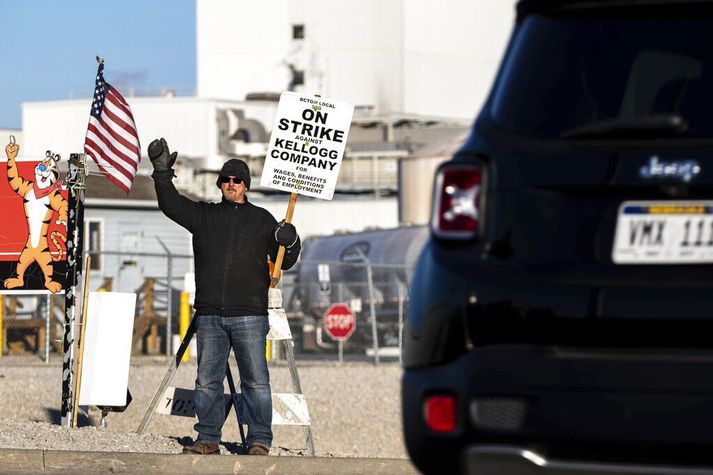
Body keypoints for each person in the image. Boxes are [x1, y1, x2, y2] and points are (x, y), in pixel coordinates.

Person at [148, 138, 301, 456]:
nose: (231, 184)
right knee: (206, 382)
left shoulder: (262, 220)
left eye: (237, 179)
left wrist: (293, 240)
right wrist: (162, 173)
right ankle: (207, 439)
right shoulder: (204, 216)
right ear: (220, 184)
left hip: (250, 314)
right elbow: (171, 205)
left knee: (256, 382)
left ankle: (259, 439)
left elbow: (285, 259)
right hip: (210, 315)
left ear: (246, 185)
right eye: (226, 179)